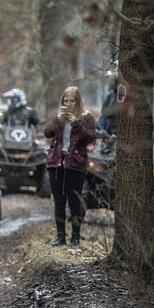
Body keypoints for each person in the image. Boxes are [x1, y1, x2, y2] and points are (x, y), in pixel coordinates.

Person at [44, 86, 96, 248]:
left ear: (78, 101)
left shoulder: (86, 118)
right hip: (56, 163)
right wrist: (56, 120)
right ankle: (60, 237)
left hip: (75, 164)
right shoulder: (59, 117)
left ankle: (75, 237)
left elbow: (89, 138)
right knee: (59, 201)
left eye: (71, 101)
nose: (68, 104)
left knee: (74, 202)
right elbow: (47, 133)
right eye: (65, 101)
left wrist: (76, 124)